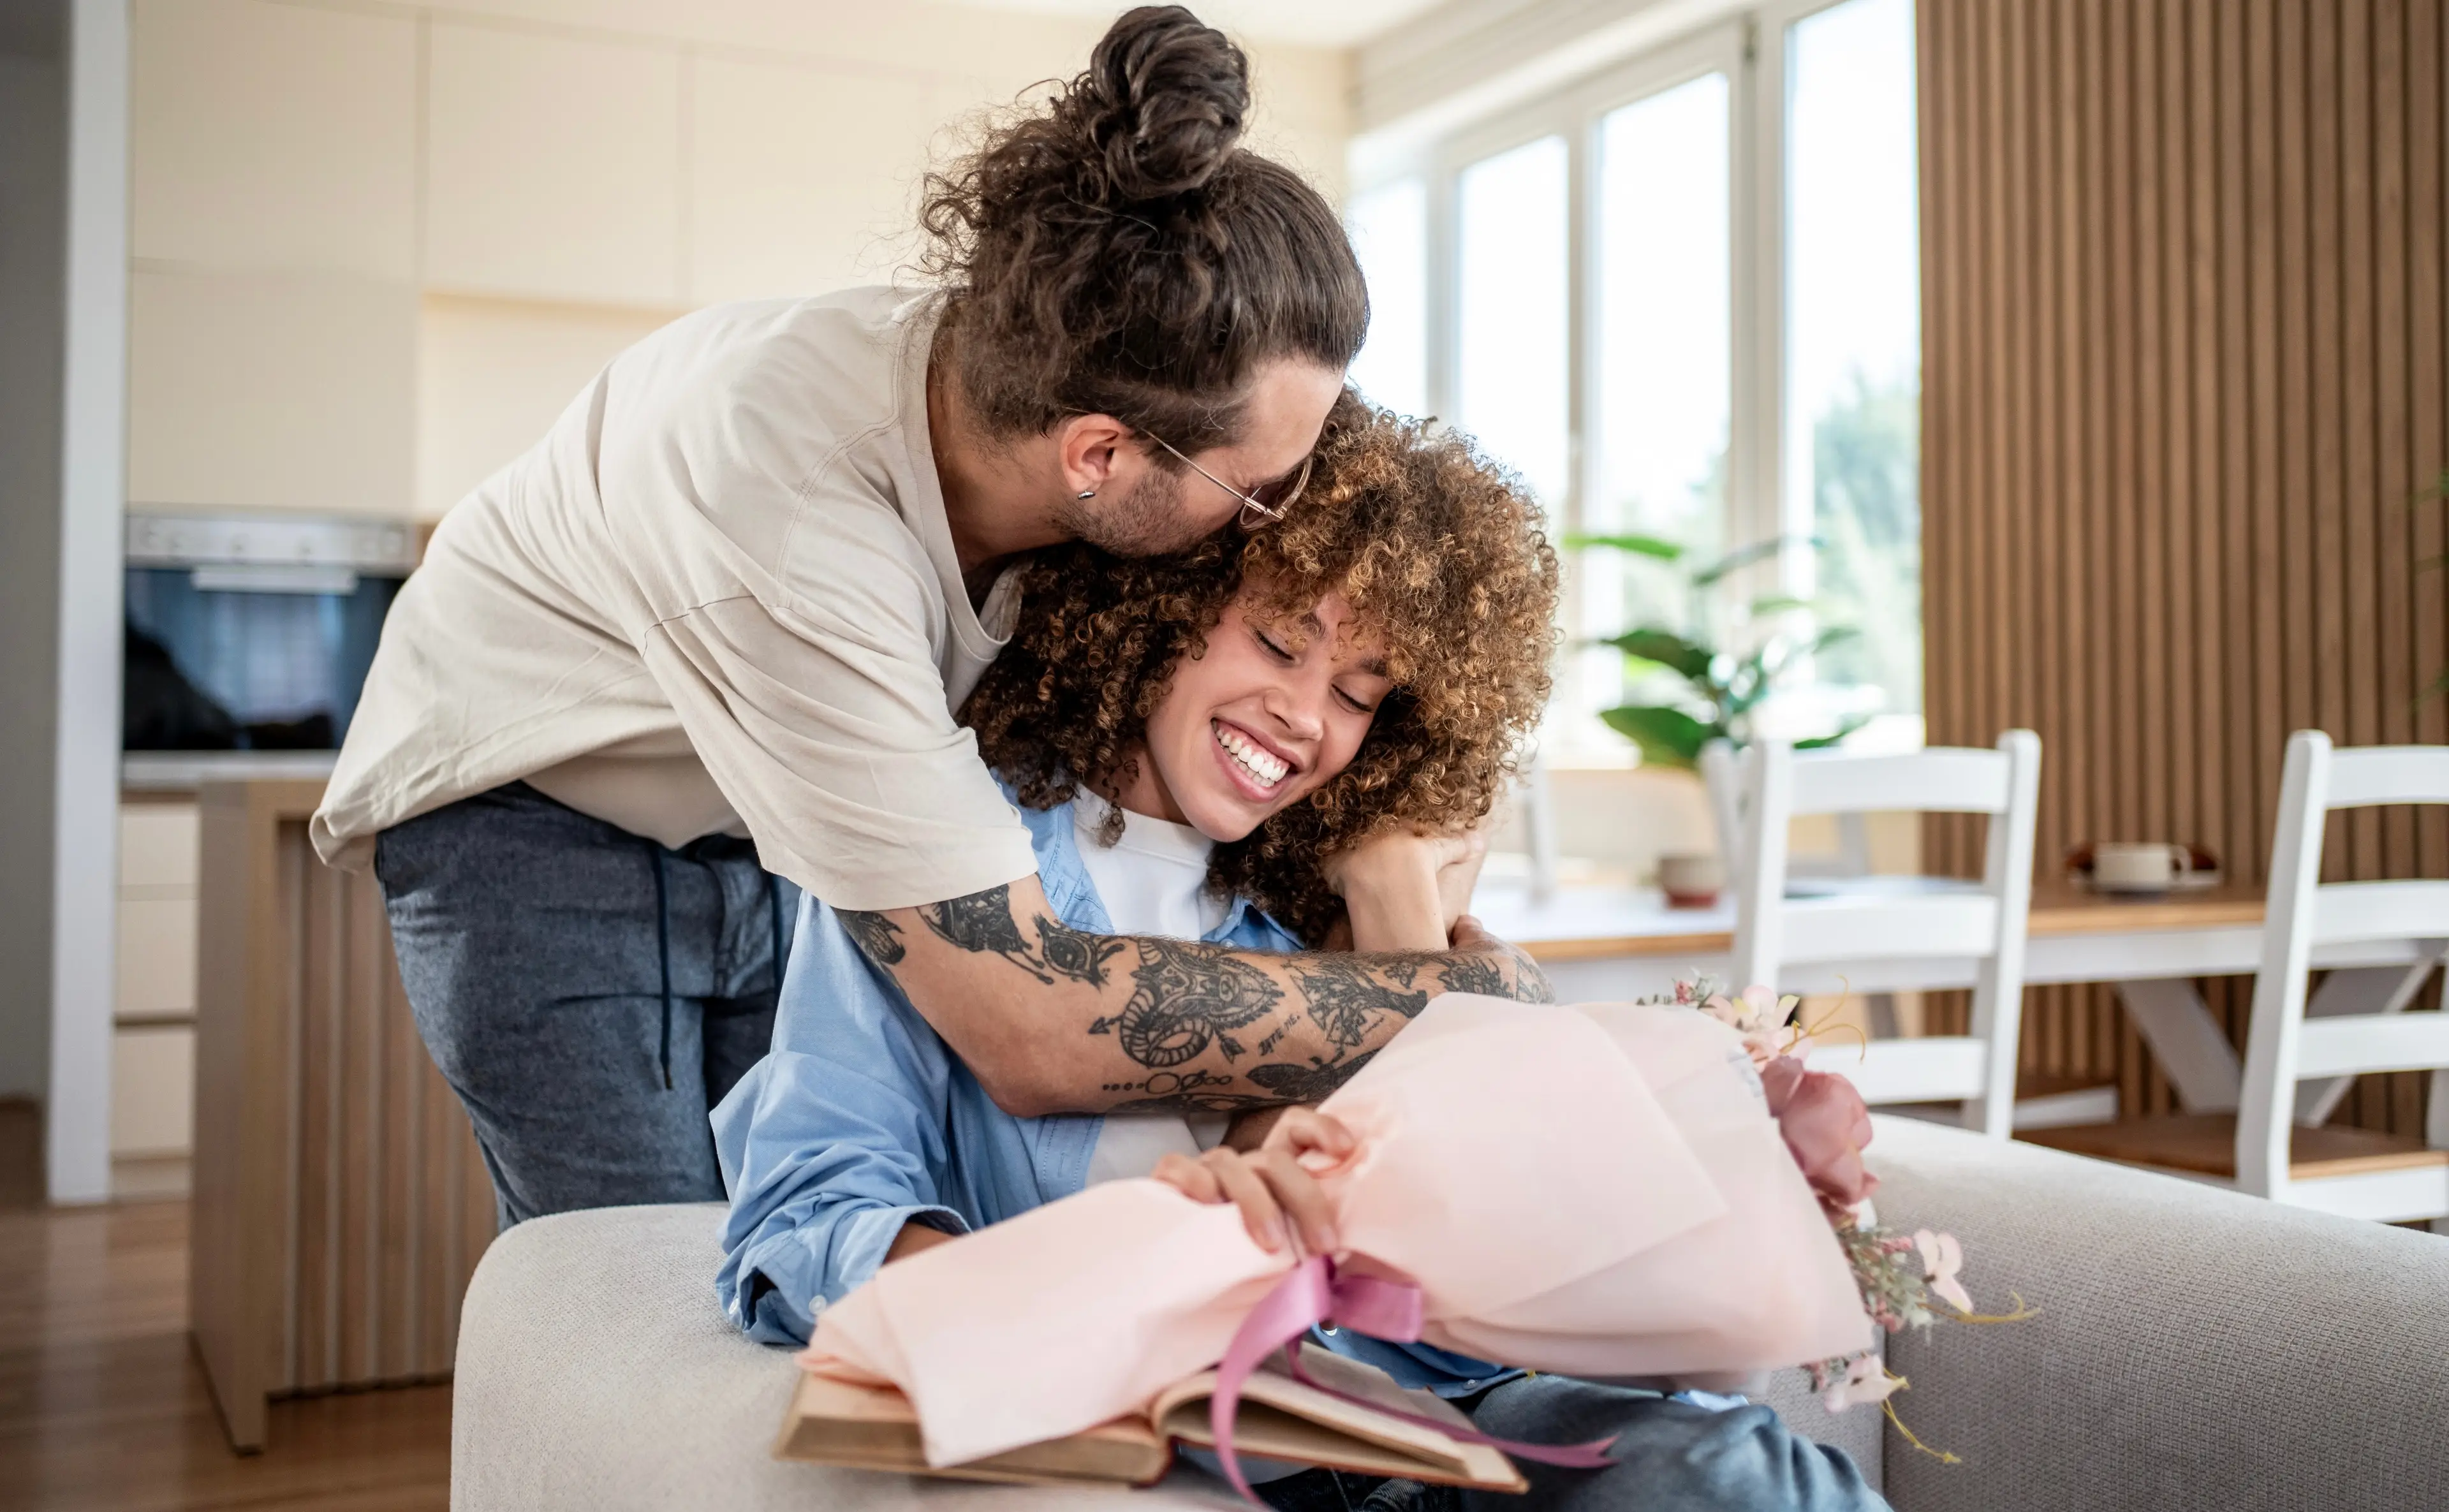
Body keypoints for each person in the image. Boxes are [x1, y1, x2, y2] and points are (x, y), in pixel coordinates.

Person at [310, 6, 1547, 1229]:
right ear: (1101, 456)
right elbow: (1029, 1024)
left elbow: (1397, 615)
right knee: (640, 1263)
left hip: (754, 814)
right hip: (532, 808)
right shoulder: (788, 513)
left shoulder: (1078, 400)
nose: (1272, 532)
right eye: (1254, 496)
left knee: (778, 1268)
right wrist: (1446, 996)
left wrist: (1412, 804)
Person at [715, 409, 1883, 1512]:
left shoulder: (1325, 902)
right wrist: (1087, 1285)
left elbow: (1477, 1241)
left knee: (1731, 1470)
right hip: (1230, 1443)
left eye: (1362, 695)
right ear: (1163, 602)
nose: (1304, 716)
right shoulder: (941, 876)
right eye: (1280, 639)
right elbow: (809, 1204)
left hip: (1444, 1417)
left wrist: (1386, 885)